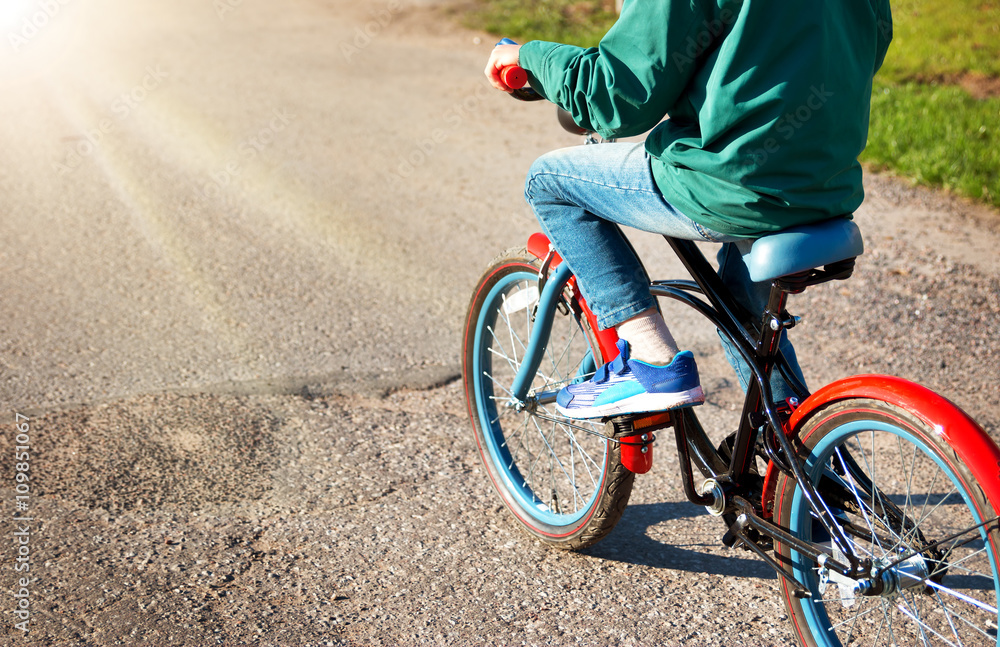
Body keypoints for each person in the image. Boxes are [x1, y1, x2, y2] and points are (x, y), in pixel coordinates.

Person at [484, 0, 892, 420]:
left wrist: (529, 56)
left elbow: (617, 96)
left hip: (734, 183)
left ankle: (650, 358)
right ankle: (801, 457)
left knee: (548, 180)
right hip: (826, 186)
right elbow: (868, 45)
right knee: (742, 300)